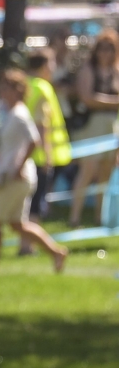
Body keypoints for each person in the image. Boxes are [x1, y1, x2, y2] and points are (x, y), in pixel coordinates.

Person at [0, 69, 68, 277]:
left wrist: (18, 166)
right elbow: (7, 146)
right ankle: (57, 252)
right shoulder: (11, 114)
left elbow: (34, 141)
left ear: (18, 90)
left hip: (15, 177)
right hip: (17, 176)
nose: (2, 91)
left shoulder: (20, 114)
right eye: (2, 86)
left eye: (7, 87)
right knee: (18, 225)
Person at [20, 50, 72, 251]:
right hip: (40, 155)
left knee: (28, 202)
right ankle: (27, 247)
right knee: (35, 204)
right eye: (51, 64)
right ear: (43, 66)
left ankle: (26, 244)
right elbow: (42, 124)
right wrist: (48, 154)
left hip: (26, 153)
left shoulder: (26, 85)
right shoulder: (42, 88)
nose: (53, 68)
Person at [69, 30, 119, 228]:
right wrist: (114, 103)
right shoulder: (88, 70)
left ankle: (100, 218)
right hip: (92, 125)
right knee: (88, 170)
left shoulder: (116, 71)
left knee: (106, 172)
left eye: (110, 49)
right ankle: (74, 218)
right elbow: (87, 98)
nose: (106, 53)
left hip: (112, 126)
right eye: (102, 49)